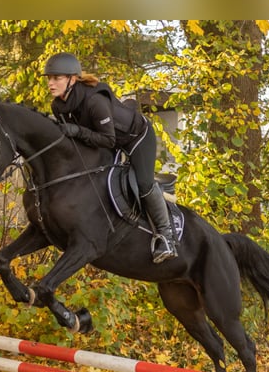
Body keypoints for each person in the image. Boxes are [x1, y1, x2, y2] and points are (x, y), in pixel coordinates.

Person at [44, 52, 177, 263]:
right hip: (107, 141)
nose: (51, 83)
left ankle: (166, 235)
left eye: (56, 78)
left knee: (143, 182)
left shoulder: (94, 101)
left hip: (136, 137)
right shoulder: (57, 105)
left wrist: (77, 131)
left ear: (72, 79)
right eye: (49, 78)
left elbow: (108, 139)